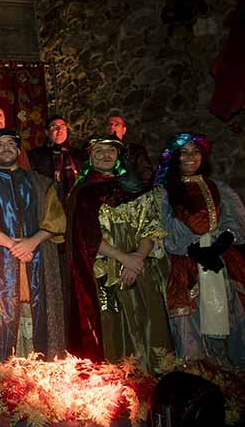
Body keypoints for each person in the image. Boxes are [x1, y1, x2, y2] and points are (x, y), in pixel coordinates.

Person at [157, 133, 245, 366]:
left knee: (235, 311)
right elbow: (164, 228)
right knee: (194, 319)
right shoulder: (165, 193)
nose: (191, 157)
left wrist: (218, 246)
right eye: (184, 152)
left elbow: (235, 221)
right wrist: (195, 250)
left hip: (224, 260)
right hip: (186, 263)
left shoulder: (219, 188)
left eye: (195, 152)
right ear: (175, 158)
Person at [65, 135, 172, 368]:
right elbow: (86, 236)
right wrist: (124, 259)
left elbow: (151, 226)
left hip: (140, 267)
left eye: (110, 151)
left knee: (148, 320)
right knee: (113, 324)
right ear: (90, 158)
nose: (105, 156)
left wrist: (138, 258)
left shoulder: (136, 188)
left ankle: (153, 376)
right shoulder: (82, 193)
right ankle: (119, 377)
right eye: (99, 152)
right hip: (106, 269)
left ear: (118, 155)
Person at [0, 129, 66, 360]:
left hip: (37, 259)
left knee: (37, 312)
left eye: (11, 144)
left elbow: (56, 218)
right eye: (0, 145)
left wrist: (32, 242)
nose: (6, 148)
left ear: (19, 150)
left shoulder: (41, 184)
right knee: (0, 315)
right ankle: (0, 376)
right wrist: (14, 245)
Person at [28, 115, 83, 203]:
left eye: (63, 126)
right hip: (48, 203)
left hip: (76, 202)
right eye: (54, 127)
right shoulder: (36, 155)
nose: (59, 129)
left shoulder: (79, 154)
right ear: (47, 132)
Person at [107, 114, 154, 187]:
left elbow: (146, 176)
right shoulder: (94, 149)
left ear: (124, 130)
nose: (112, 127)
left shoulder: (136, 150)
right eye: (109, 124)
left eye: (117, 124)